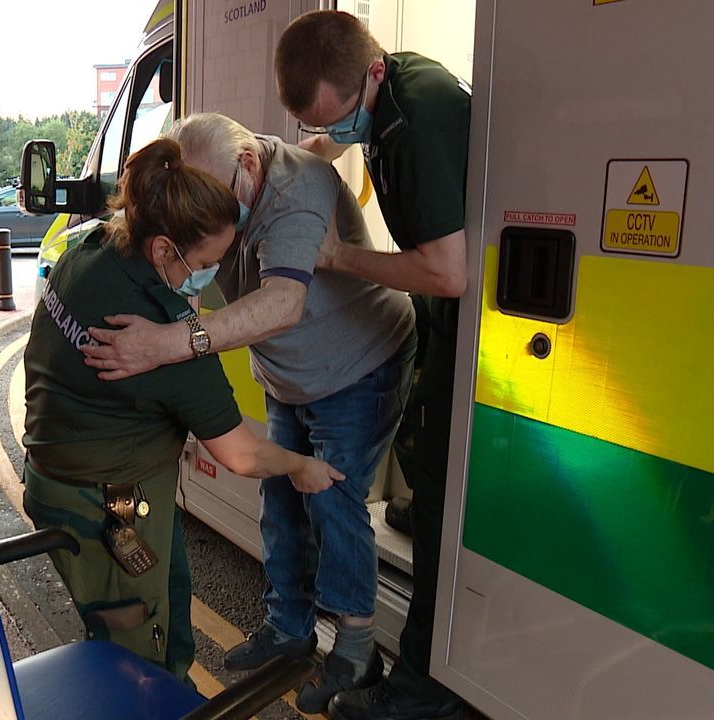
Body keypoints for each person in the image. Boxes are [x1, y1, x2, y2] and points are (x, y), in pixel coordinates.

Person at [81, 112, 416, 714]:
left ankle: (357, 651)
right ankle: (289, 627)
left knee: (334, 503)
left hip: (357, 365)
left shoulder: (293, 192)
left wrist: (168, 342)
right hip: (292, 373)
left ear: (250, 166)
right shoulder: (226, 176)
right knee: (281, 500)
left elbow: (284, 303)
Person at [21, 137, 343, 682]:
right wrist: (301, 466)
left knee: (166, 605)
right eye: (207, 263)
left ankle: (173, 684)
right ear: (165, 250)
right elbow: (241, 455)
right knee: (133, 654)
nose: (210, 279)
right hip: (106, 505)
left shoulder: (95, 247)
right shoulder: (157, 339)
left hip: (57, 478)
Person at [274, 10, 471, 720]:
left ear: (374, 75)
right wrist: (300, 156)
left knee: (445, 498)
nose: (339, 132)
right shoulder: (384, 90)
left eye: (343, 117)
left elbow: (449, 273)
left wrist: (334, 257)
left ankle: (424, 694)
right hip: (438, 326)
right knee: (424, 478)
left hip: (465, 323)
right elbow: (332, 131)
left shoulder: (417, 120)